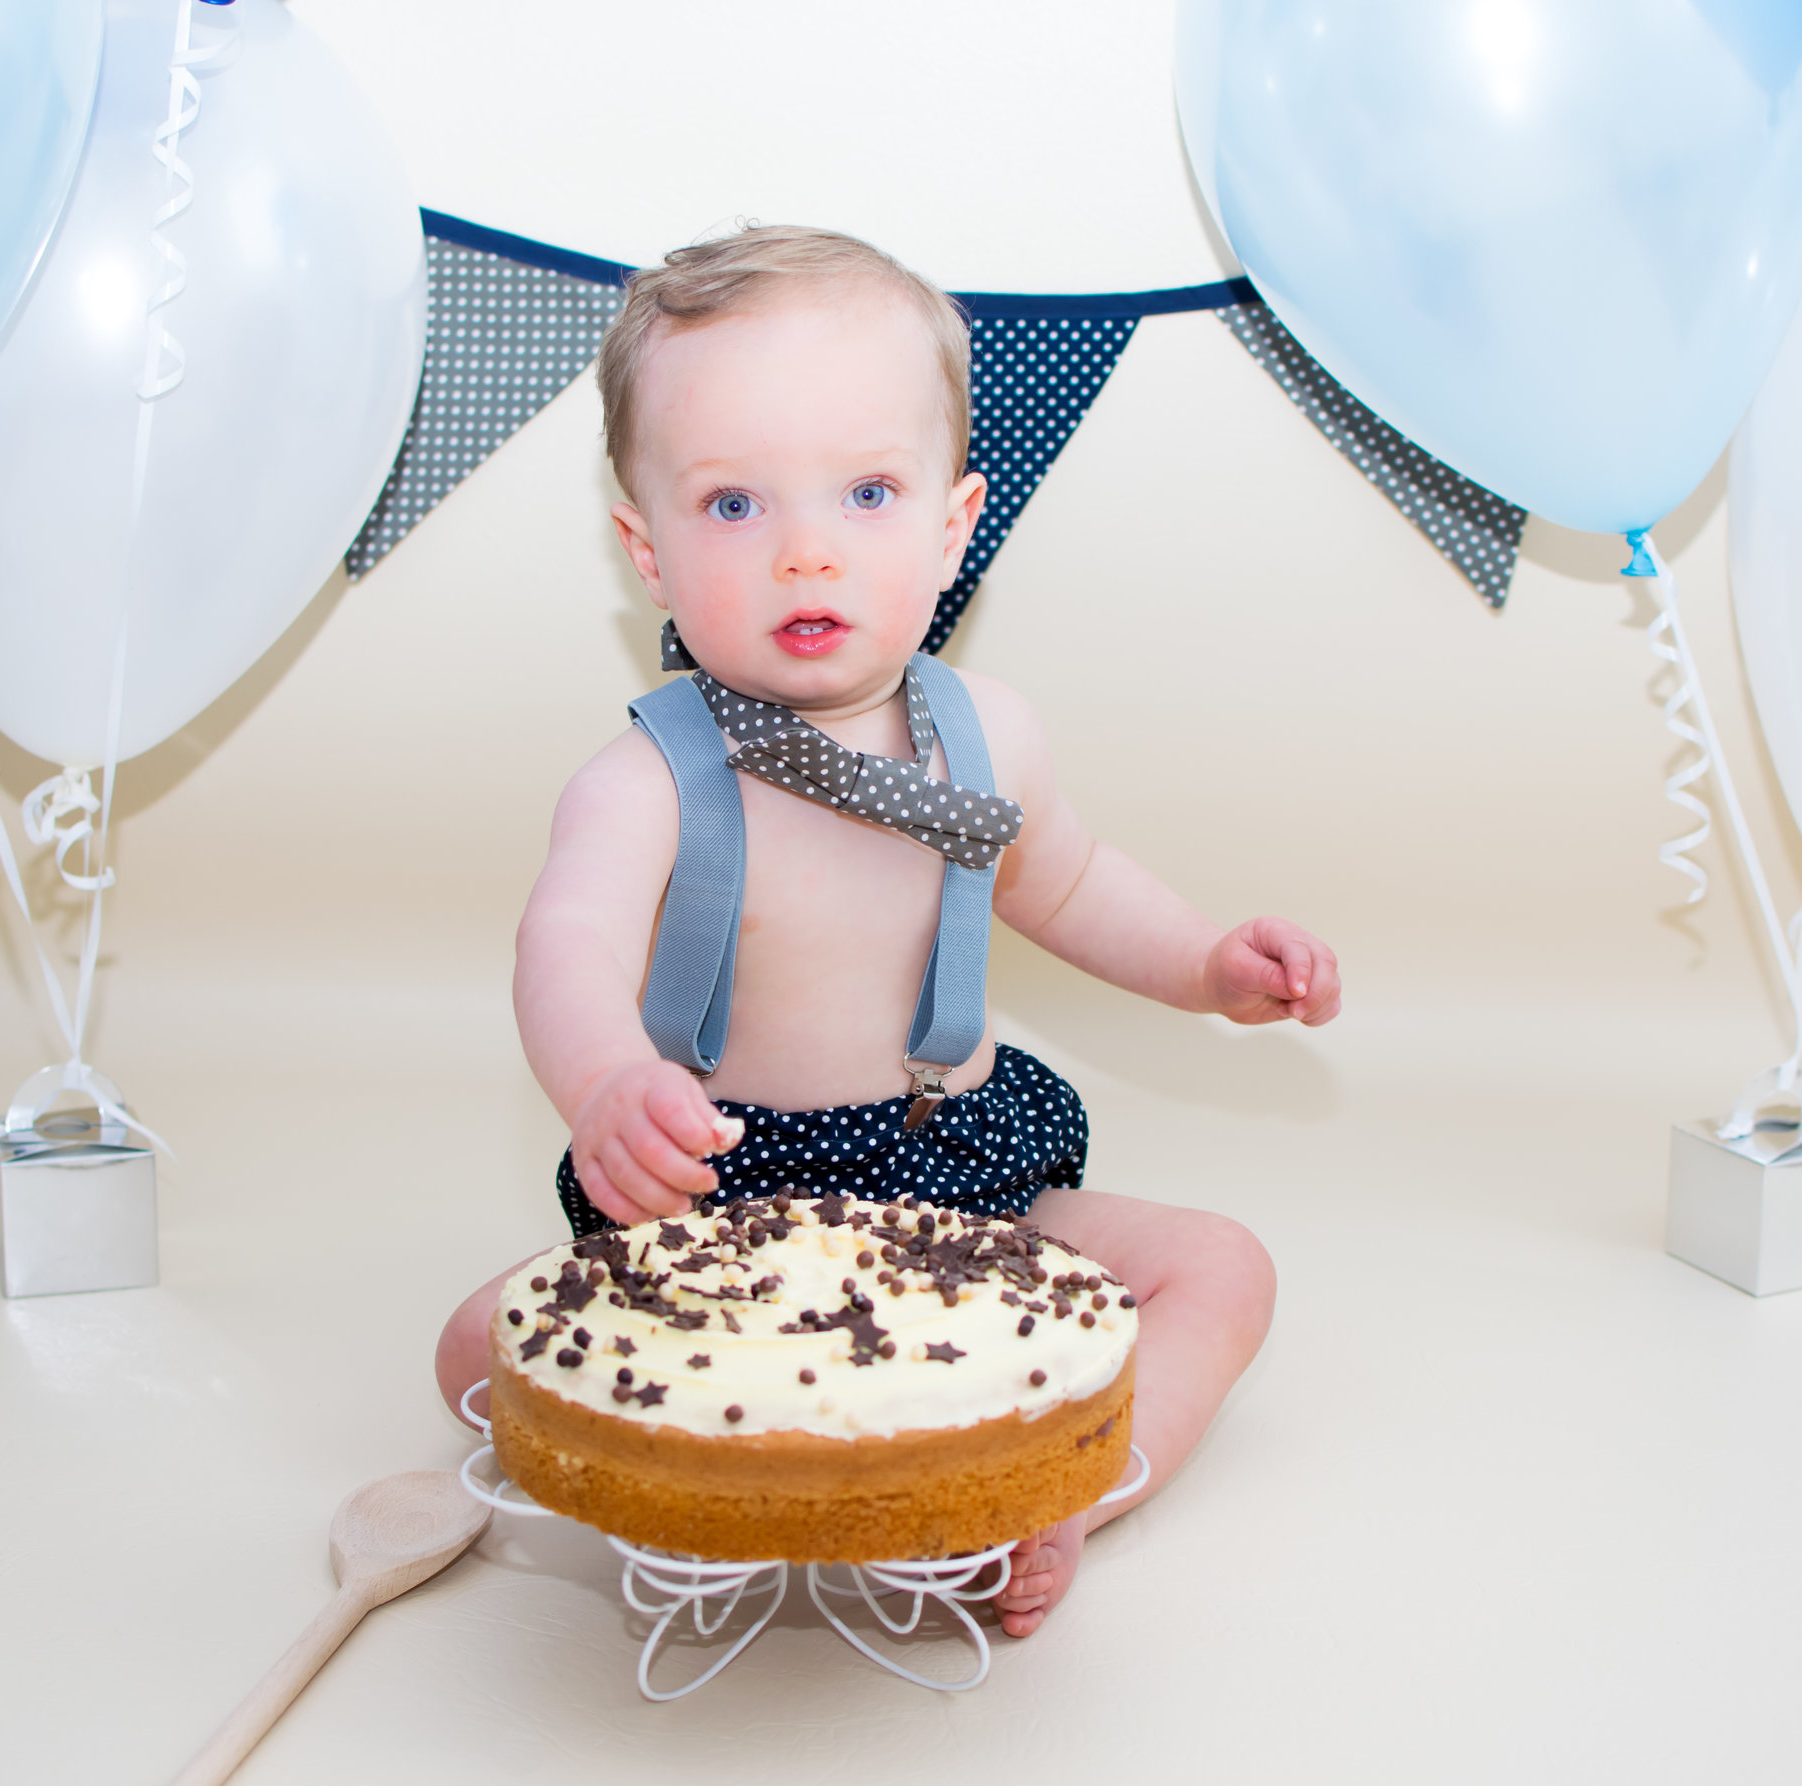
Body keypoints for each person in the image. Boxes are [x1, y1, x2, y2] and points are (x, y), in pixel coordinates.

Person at [436, 224, 1340, 1636]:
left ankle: (1071, 1488)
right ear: (646, 548)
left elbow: (1074, 883)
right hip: (720, 1212)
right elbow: (565, 945)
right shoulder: (649, 778)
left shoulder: (988, 741)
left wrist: (1209, 967)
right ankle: (717, 1484)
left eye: (865, 492)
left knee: (1224, 1264)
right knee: (472, 1347)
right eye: (734, 506)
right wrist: (608, 1083)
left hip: (956, 1179)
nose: (806, 552)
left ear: (951, 523)